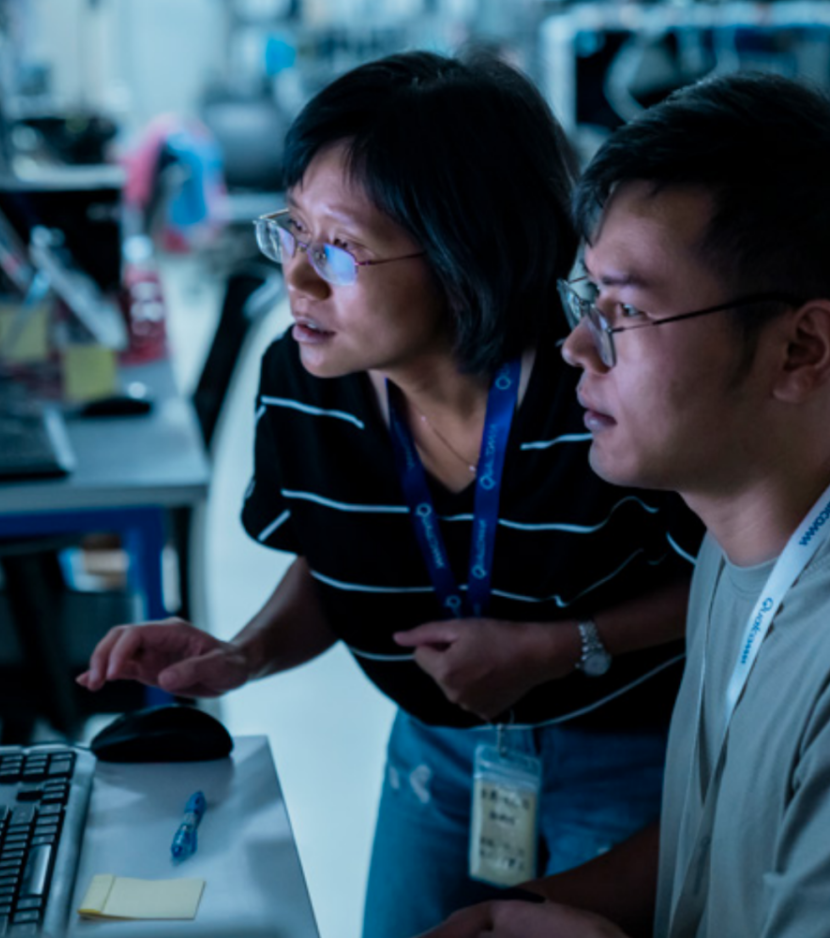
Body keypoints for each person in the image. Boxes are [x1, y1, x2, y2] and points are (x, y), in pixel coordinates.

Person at [78, 50, 700, 936]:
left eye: (337, 249)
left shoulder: (594, 382)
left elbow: (731, 574)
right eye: (292, 231)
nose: (296, 279)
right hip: (437, 753)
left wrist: (565, 645)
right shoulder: (304, 379)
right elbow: (340, 556)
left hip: (625, 755)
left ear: (463, 252)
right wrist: (244, 654)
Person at [424, 70, 830, 938]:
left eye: (626, 311)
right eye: (586, 300)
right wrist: (520, 912)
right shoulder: (734, 546)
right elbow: (714, 844)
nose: (577, 346)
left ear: (800, 347)